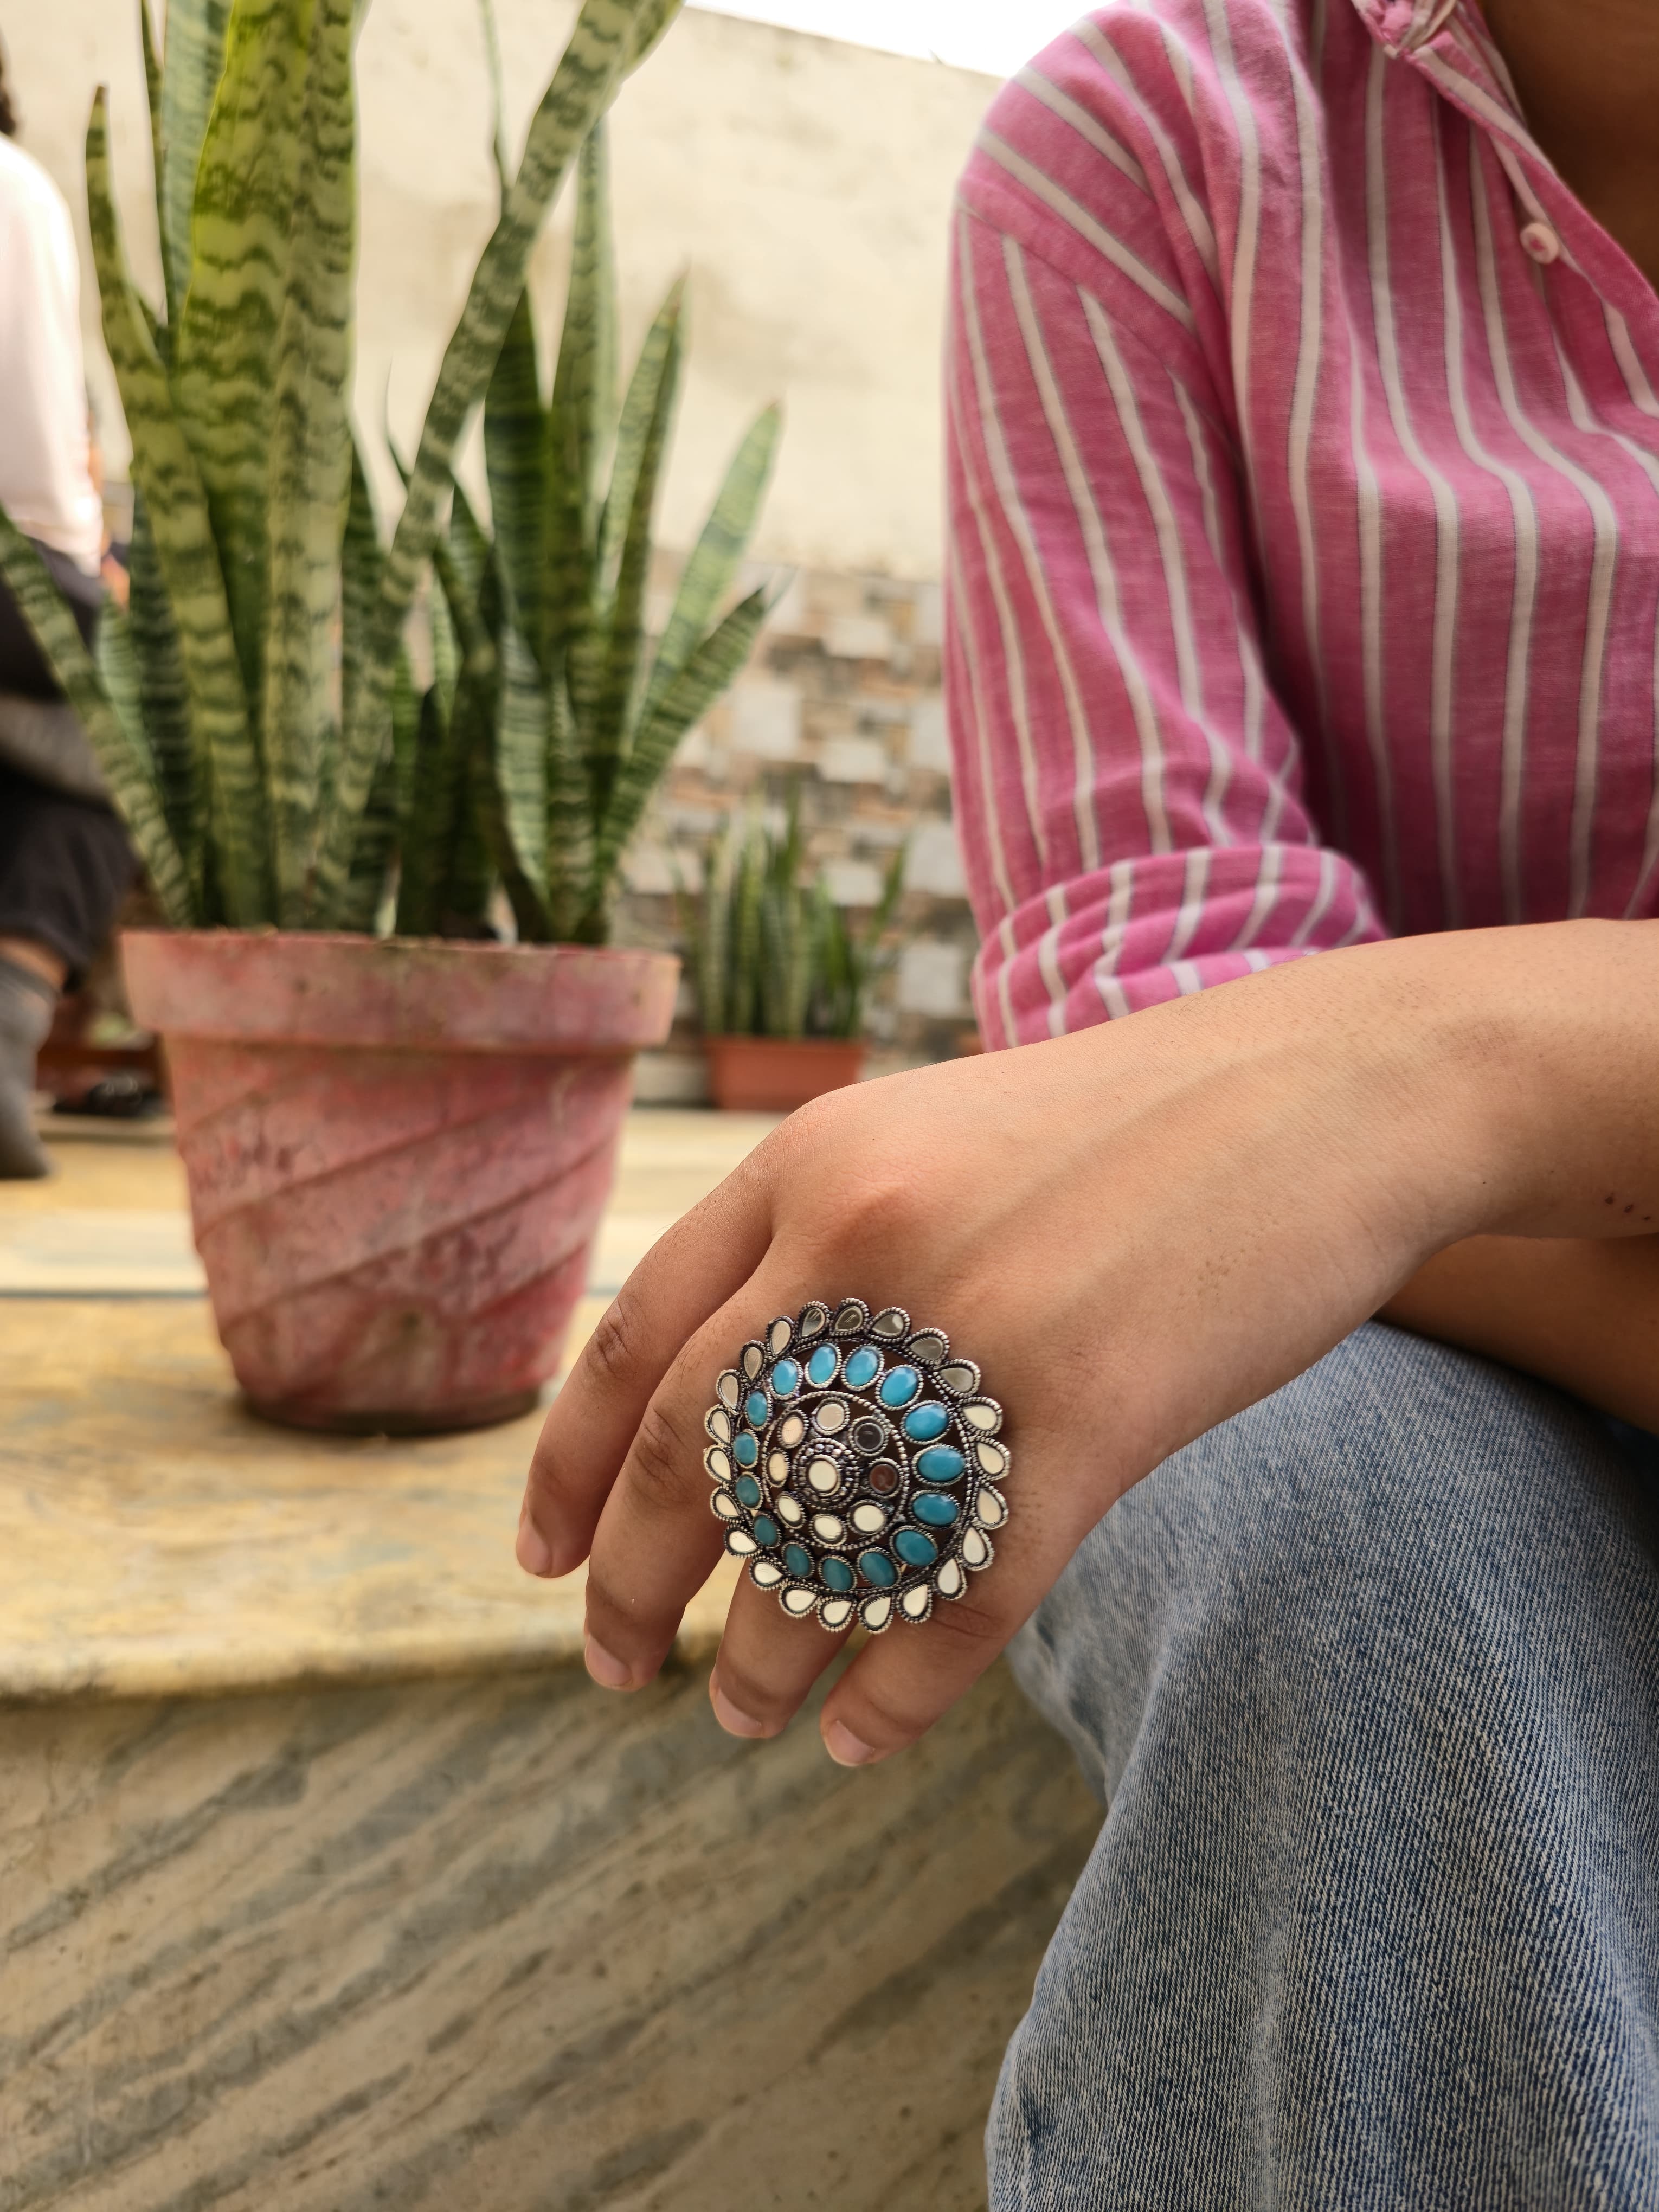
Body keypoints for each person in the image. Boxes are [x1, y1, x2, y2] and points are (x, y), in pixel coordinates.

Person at [516, 0, 1659, 2198]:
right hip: (1377, 1359)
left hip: (1390, 1261)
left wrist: (1414, 1075)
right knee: (1339, 1540)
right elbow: (1160, 1005)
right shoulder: (1155, 146)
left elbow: (1207, 1084)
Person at [0, 43, 134, 1178]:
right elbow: (51, 467)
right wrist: (100, 574)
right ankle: (6, 1025)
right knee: (111, 756)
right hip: (26, 581)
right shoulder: (19, 192)